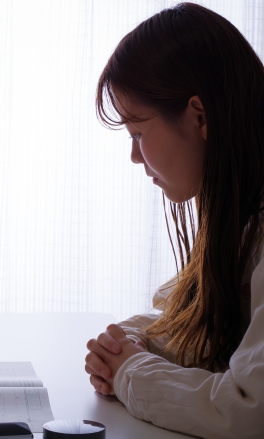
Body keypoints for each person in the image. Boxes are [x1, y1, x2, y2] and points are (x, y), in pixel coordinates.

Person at [84, 3, 264, 438]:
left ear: (200, 116)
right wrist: (128, 343)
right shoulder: (244, 219)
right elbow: (212, 330)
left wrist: (128, 370)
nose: (134, 156)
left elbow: (248, 411)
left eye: (138, 133)